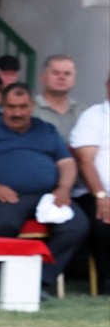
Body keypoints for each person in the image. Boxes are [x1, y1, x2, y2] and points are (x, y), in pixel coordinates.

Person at [0, 83, 88, 293]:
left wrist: (64, 188)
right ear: (3, 105)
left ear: (31, 106)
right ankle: (4, 283)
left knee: (76, 226)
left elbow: (67, 163)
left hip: (47, 196)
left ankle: (38, 281)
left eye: (23, 107)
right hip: (3, 196)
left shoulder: (46, 129)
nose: (17, 113)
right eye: (11, 107)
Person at [70, 74, 109, 295]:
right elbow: (85, 160)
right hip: (97, 193)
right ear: (107, 85)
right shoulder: (93, 117)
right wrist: (102, 196)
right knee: (104, 223)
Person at [33, 54, 84, 141]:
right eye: (55, 73)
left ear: (74, 80)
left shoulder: (83, 111)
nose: (62, 77)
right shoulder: (29, 109)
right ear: (43, 78)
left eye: (67, 74)